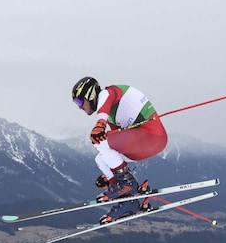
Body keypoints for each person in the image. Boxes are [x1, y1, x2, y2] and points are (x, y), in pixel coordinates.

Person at [71, 76, 168, 224]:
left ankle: (128, 185)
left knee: (100, 142)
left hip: (151, 135)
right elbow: (116, 145)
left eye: (79, 101)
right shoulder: (111, 114)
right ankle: (129, 201)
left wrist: (100, 123)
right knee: (101, 157)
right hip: (146, 142)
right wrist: (111, 173)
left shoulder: (109, 93)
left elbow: (108, 98)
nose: (79, 107)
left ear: (90, 95)